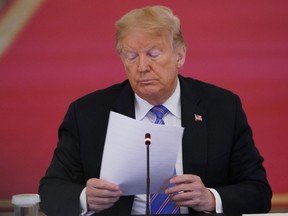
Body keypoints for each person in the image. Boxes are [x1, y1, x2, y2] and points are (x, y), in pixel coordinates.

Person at [39, 5, 272, 216]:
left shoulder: (222, 107)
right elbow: (50, 190)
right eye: (131, 56)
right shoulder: (87, 113)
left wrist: (210, 198)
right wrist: (85, 198)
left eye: (152, 54)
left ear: (179, 55)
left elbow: (258, 191)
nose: (142, 67)